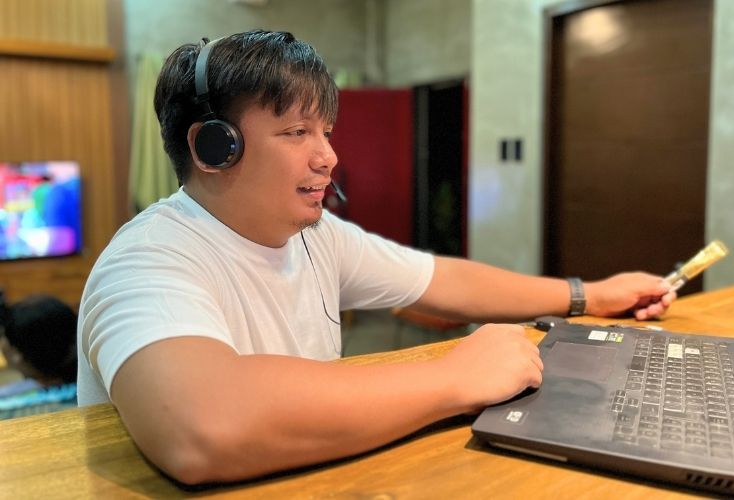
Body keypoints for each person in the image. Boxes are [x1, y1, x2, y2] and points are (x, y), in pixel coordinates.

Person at [77, 30, 674, 485]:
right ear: (213, 146)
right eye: (296, 133)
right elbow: (201, 429)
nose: (327, 157)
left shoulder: (316, 236)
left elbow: (442, 281)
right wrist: (455, 377)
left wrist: (590, 295)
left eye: (326, 131)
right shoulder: (148, 260)